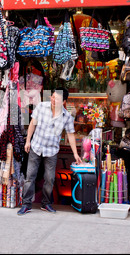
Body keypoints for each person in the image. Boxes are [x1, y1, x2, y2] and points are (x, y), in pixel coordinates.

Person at [18, 87, 83, 215]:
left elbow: (70, 135)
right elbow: (32, 123)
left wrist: (75, 154)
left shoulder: (67, 117)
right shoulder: (42, 106)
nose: (53, 100)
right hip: (36, 147)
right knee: (30, 177)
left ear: (63, 101)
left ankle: (46, 203)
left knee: (50, 179)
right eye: (52, 96)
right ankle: (26, 204)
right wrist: (28, 141)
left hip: (51, 151)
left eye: (57, 98)